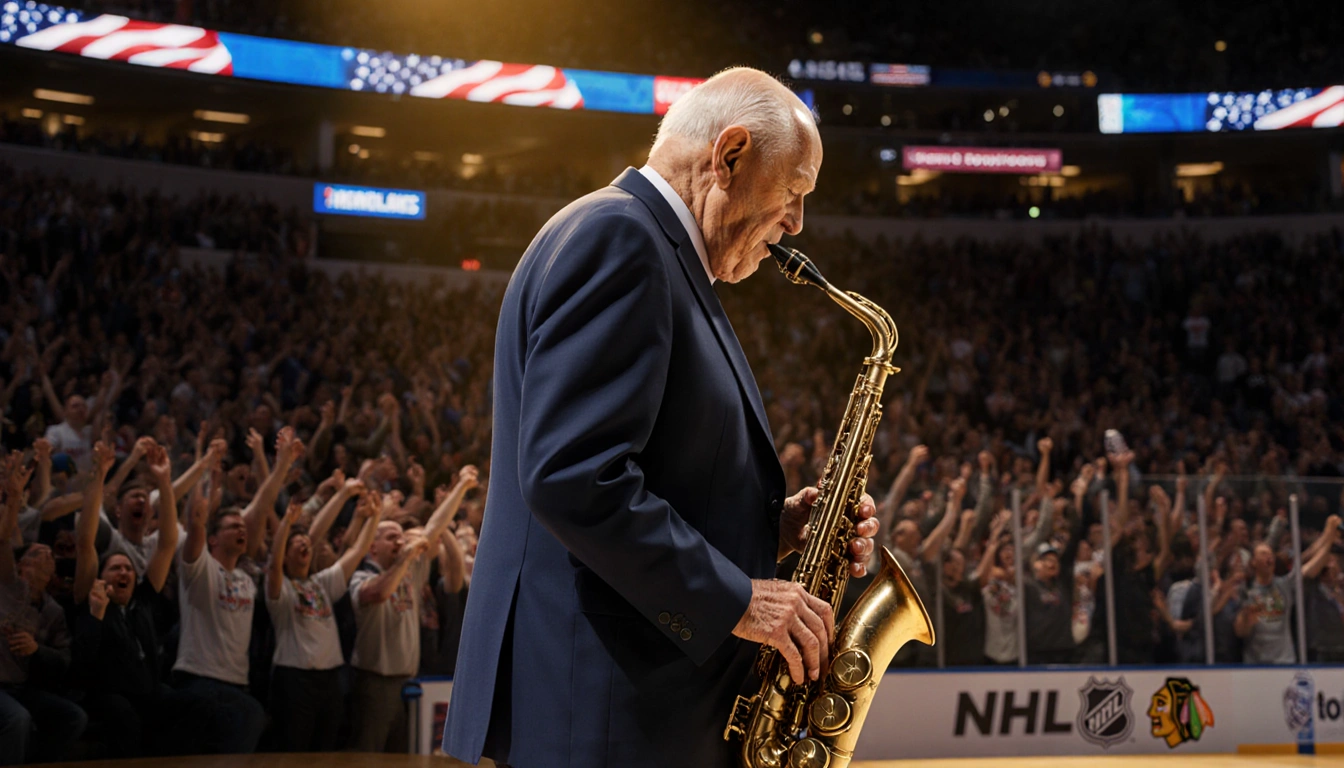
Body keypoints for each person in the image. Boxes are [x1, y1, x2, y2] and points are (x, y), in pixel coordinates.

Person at [444, 67, 880, 768]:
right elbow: (575, 478)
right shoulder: (621, 239)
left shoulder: (653, 251)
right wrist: (739, 598)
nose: (797, 222)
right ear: (729, 155)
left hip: (614, 709)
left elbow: (648, 479)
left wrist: (780, 529)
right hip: (601, 712)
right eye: (795, 191)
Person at [171, 427, 303, 753]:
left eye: (243, 527)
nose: (242, 528)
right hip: (197, 680)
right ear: (213, 539)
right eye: (232, 526)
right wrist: (204, 478)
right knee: (249, 720)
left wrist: (283, 462)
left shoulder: (246, 575)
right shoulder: (201, 567)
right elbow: (198, 521)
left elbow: (262, 504)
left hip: (235, 683)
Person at [349, 466, 477, 752]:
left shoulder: (410, 570)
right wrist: (405, 557)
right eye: (391, 537)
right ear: (373, 549)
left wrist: (462, 487)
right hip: (374, 684)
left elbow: (434, 527)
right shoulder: (361, 578)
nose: (400, 541)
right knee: (367, 754)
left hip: (405, 680)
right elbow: (380, 593)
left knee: (400, 756)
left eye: (401, 537)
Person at [70, 440, 179, 758]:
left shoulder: (143, 598)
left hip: (147, 690)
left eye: (129, 569)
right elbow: (85, 541)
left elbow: (167, 544)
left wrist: (164, 481)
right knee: (128, 721)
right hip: (106, 695)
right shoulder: (90, 595)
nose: (124, 572)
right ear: (101, 576)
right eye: (115, 567)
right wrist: (99, 476)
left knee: (183, 709)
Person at [265, 488, 380, 752]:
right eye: (297, 543)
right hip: (294, 680)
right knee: (294, 751)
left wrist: (375, 516)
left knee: (326, 751)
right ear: (286, 553)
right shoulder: (281, 590)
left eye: (307, 542)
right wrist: (286, 525)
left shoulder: (322, 583)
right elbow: (273, 566)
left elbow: (358, 549)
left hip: (330, 680)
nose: (305, 544)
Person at [0, 457, 86, 764]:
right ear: (23, 564)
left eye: (51, 557)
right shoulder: (8, 583)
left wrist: (37, 650)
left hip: (22, 687)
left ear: (52, 577)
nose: (48, 556)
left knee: (73, 717)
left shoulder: (53, 612)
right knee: (18, 719)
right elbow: (3, 540)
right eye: (39, 553)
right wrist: (12, 498)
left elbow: (64, 659)